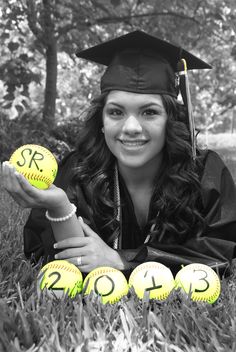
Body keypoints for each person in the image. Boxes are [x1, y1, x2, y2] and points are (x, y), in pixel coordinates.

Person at [2, 30, 236, 278]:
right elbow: (60, 262)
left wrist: (121, 260)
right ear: (101, 121)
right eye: (116, 112)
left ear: (171, 119)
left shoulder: (205, 173)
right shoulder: (79, 173)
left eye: (149, 112)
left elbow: (220, 254)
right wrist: (60, 207)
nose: (131, 127)